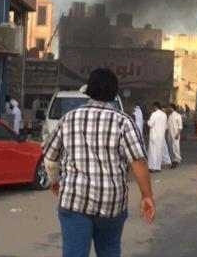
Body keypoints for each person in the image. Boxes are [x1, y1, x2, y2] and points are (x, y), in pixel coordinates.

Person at [42, 68, 155, 257]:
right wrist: (147, 195)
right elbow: (139, 161)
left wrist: (54, 181)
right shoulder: (124, 122)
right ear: (113, 93)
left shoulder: (68, 119)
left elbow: (51, 158)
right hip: (111, 203)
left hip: (74, 200)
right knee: (109, 251)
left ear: (89, 90)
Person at [147, 102, 169, 172]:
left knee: (153, 152)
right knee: (159, 151)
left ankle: (152, 167)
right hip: (161, 136)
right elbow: (166, 127)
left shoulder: (154, 114)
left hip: (154, 135)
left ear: (155, 107)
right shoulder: (164, 115)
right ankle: (158, 167)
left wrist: (147, 122)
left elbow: (150, 124)